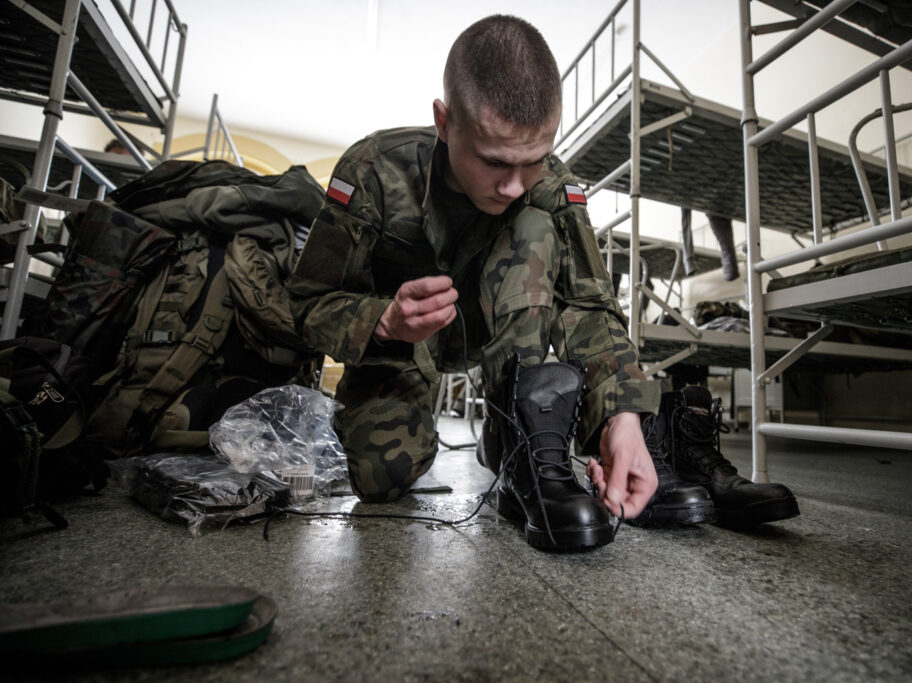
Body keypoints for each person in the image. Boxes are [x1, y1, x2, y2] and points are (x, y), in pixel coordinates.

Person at [287, 15, 796, 551]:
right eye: (494, 162)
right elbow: (307, 304)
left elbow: (589, 306)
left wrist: (621, 416)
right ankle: (459, 427)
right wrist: (383, 321)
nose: (512, 184)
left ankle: (517, 445)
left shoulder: (550, 185)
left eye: (532, 161)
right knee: (382, 477)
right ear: (444, 122)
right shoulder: (372, 172)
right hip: (395, 350)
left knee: (532, 227)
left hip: (504, 340)